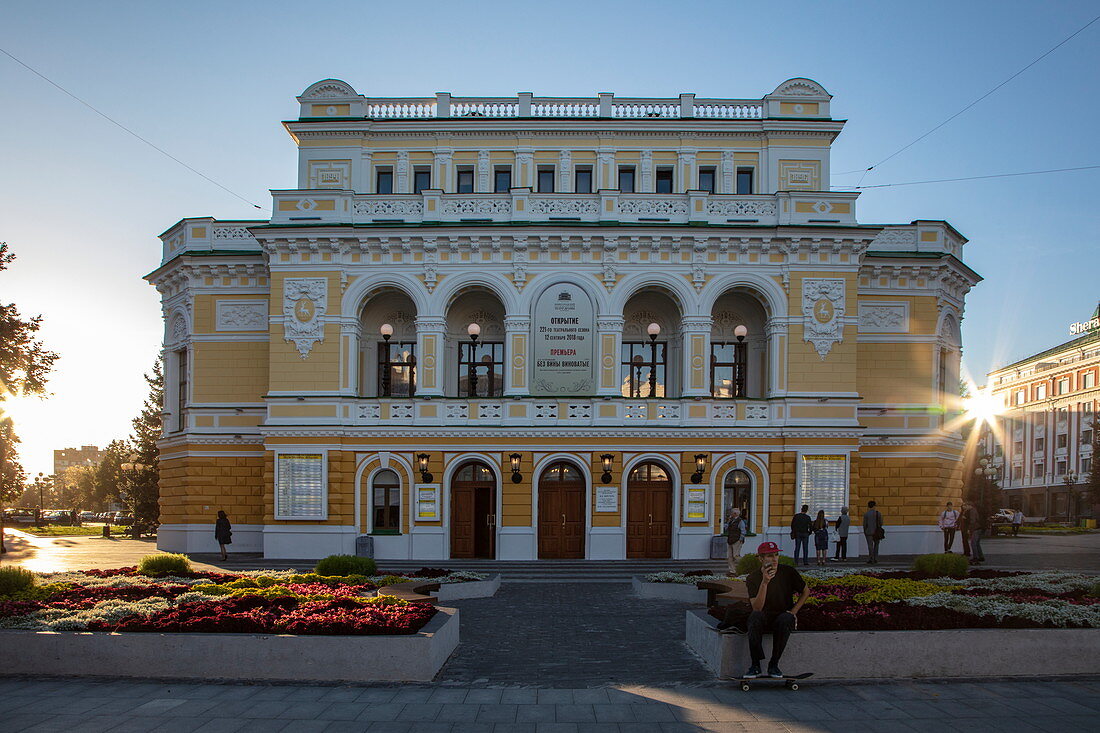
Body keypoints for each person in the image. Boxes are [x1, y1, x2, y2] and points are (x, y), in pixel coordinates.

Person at [741, 541, 810, 679]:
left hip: (782, 615)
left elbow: (806, 591)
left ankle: (774, 665)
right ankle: (755, 665)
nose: (774, 559)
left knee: (786, 619)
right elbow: (757, 607)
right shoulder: (753, 578)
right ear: (761, 559)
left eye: (776, 555)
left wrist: (793, 612)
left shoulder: (788, 572)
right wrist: (765, 582)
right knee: (755, 617)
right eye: (769, 556)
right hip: (764, 615)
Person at [724, 509, 746, 574]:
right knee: (730, 557)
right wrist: (728, 521)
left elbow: (743, 531)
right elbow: (726, 528)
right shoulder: (731, 521)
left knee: (735, 556)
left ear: (735, 514)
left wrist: (741, 539)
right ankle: (733, 571)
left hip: (737, 540)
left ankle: (744, 564)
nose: (731, 514)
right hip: (730, 540)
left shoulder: (740, 521)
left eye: (732, 513)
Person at [863, 500, 883, 564]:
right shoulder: (878, 513)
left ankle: (870, 558)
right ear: (874, 506)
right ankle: (876, 558)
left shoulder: (866, 514)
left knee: (870, 545)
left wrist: (865, 531)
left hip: (868, 532)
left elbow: (864, 524)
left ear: (868, 506)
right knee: (876, 545)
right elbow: (881, 523)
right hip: (877, 532)